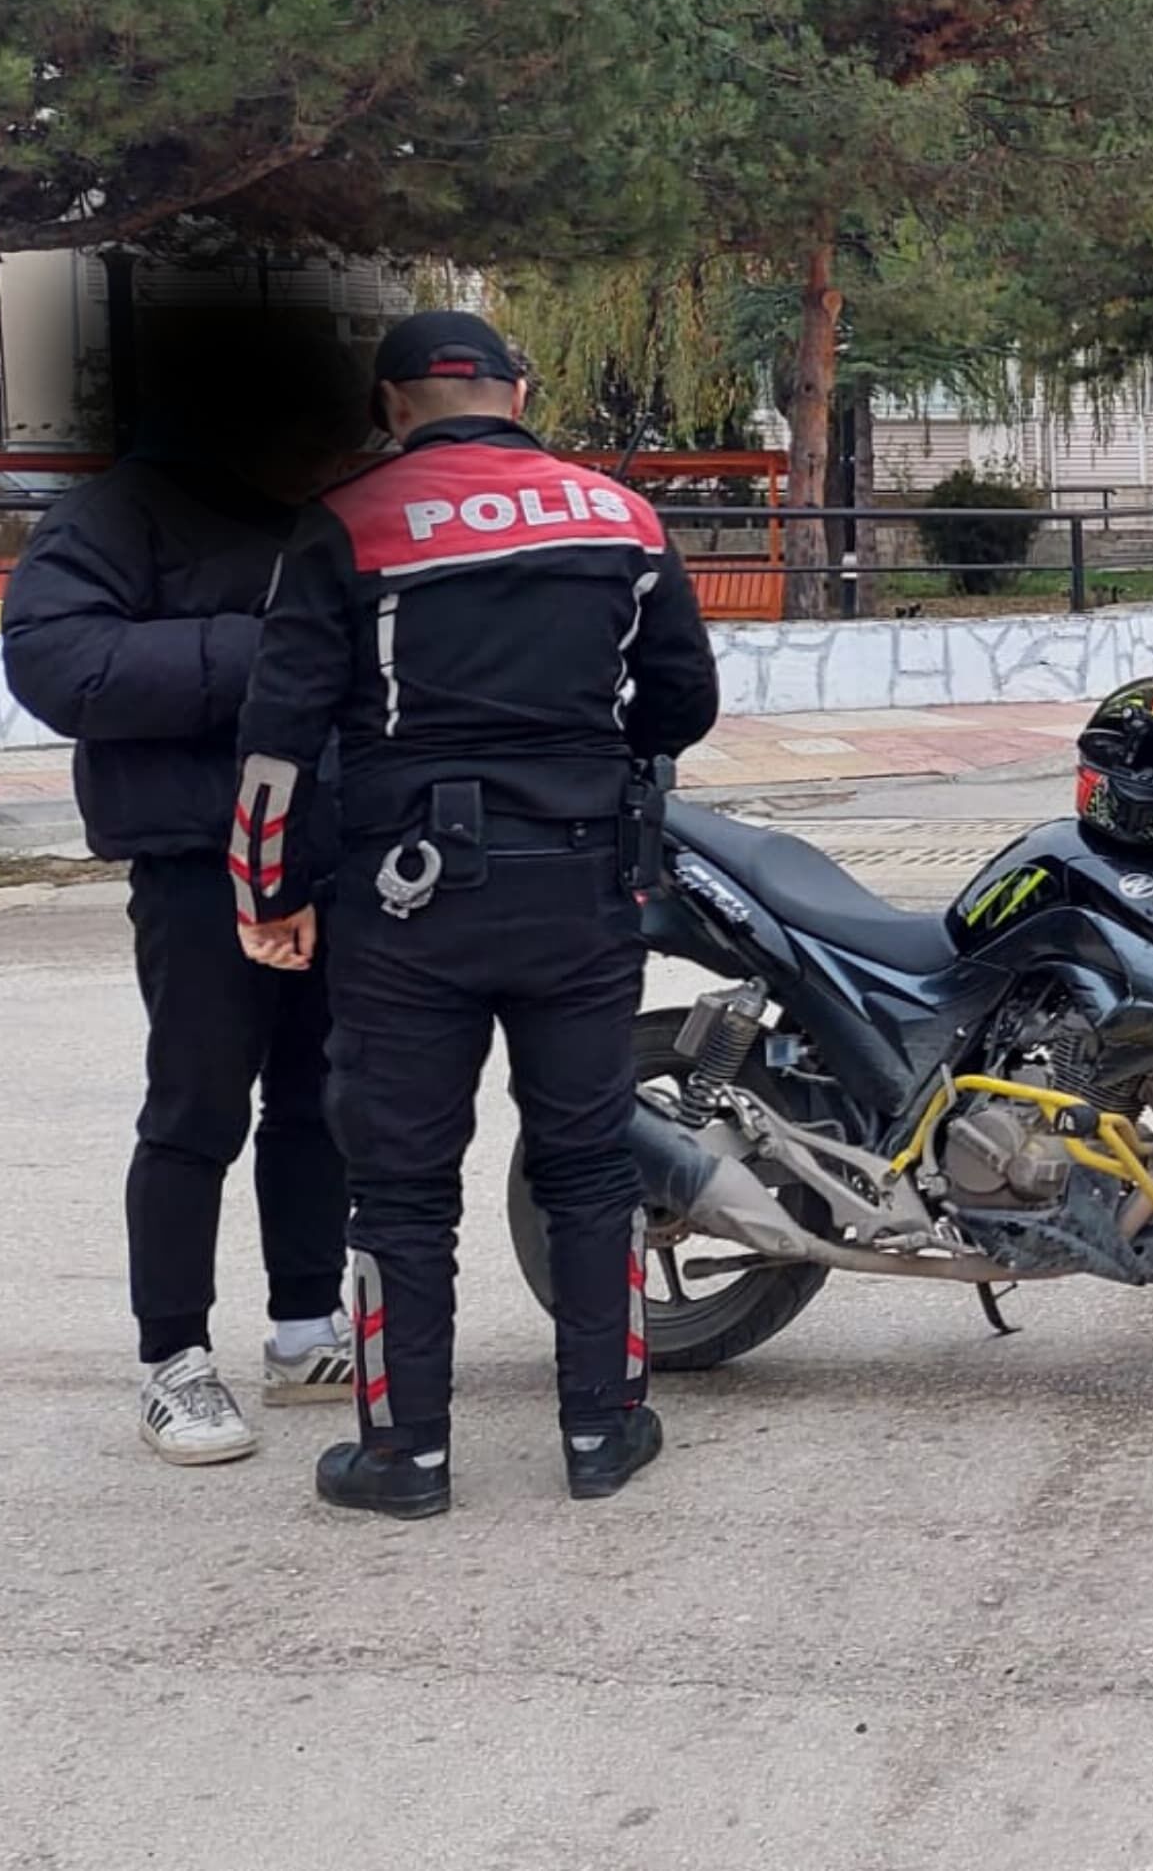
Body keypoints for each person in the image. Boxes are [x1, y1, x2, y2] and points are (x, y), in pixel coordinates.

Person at [232, 311, 721, 1518]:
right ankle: (603, 1432)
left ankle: (405, 1457)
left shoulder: (348, 520)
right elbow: (683, 700)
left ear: (390, 402)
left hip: (408, 900)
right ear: (521, 387)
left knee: (400, 1182)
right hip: (583, 885)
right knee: (590, 1162)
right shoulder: (620, 515)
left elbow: (279, 740)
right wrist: (600, 767)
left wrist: (269, 895)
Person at [1, 309, 364, 1467]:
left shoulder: (334, 512)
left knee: (320, 1102)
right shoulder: (119, 508)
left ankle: (305, 1329)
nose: (323, 456)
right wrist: (271, 649)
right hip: (198, 860)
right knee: (196, 1109)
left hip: (334, 851)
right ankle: (174, 1358)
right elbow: (63, 663)